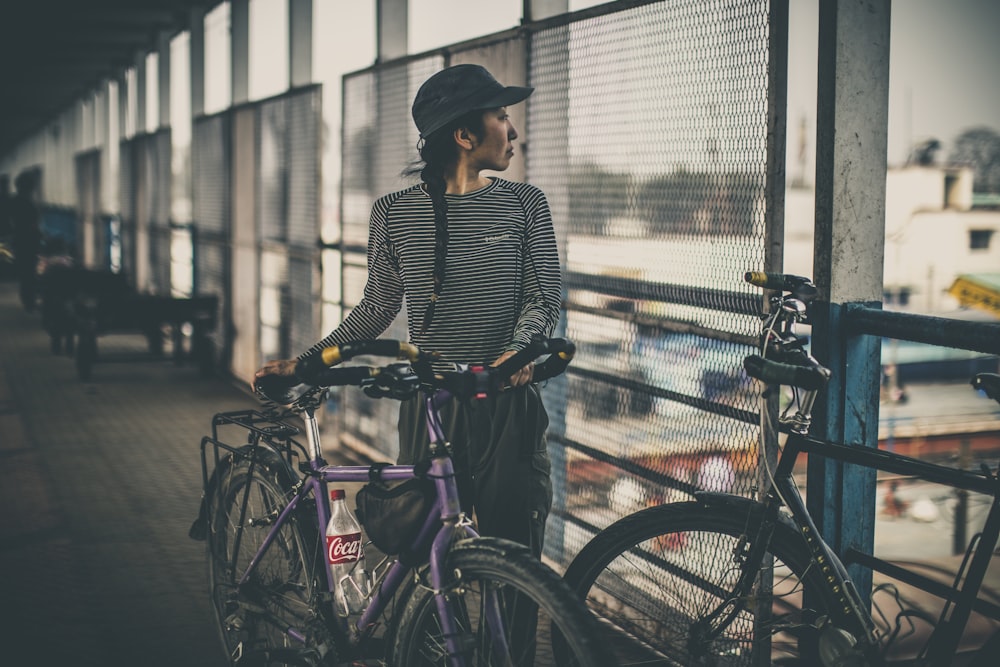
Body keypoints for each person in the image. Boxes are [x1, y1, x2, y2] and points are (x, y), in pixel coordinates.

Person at [255, 64, 563, 558]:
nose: (513, 131)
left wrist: (517, 353)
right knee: (428, 560)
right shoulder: (394, 212)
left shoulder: (525, 204)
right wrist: (307, 363)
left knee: (515, 560)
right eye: (502, 117)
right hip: (429, 405)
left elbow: (544, 297)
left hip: (507, 400)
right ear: (464, 135)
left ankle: (508, 641)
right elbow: (377, 307)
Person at [10, 171, 42, 311]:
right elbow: (31, 224)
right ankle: (29, 301)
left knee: (25, 271)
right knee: (29, 271)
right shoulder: (27, 203)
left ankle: (27, 299)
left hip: (19, 240)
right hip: (28, 241)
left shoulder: (15, 201)